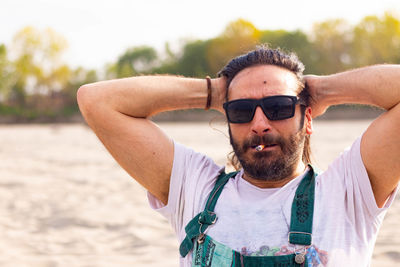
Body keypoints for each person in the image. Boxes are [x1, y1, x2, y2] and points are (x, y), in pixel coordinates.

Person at [77, 46, 400, 267]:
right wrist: (212, 93)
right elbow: (96, 101)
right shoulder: (193, 188)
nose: (260, 124)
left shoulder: (348, 192)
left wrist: (327, 89)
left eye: (279, 107)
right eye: (242, 111)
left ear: (308, 118)